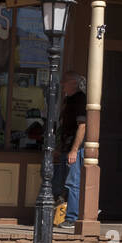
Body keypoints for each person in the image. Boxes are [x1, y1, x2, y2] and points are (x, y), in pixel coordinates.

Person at [53, 72, 88, 231]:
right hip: (66, 146)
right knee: (60, 183)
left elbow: (82, 126)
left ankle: (72, 218)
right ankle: (60, 215)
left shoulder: (80, 99)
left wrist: (74, 150)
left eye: (65, 81)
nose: (62, 84)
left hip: (75, 148)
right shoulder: (69, 100)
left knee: (72, 183)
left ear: (74, 83)